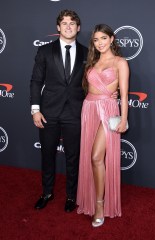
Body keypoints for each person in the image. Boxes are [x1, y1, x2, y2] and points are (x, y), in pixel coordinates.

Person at [30, 9, 88, 212]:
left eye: (72, 23)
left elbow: (93, 82)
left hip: (75, 112)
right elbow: (36, 81)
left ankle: (71, 196)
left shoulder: (87, 53)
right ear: (58, 27)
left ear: (78, 28)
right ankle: (47, 192)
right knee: (47, 154)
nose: (68, 26)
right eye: (64, 23)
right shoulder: (45, 51)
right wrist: (35, 110)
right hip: (48, 112)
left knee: (73, 156)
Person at [76, 24, 129, 227]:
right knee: (91, 158)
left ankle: (100, 204)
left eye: (103, 38)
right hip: (88, 108)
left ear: (112, 39)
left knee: (96, 156)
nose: (99, 43)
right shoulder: (92, 63)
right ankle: (91, 198)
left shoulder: (120, 62)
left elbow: (123, 95)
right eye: (96, 40)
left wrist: (123, 119)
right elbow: (89, 88)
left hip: (107, 110)